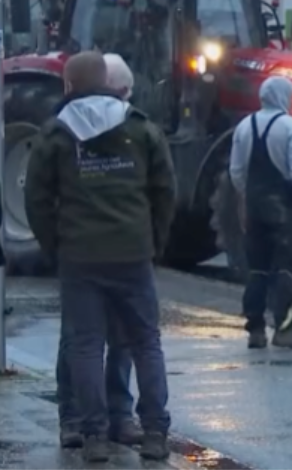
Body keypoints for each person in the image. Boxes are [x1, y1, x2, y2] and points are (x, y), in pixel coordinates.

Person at [24, 51, 176, 463]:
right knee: (146, 343)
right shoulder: (141, 128)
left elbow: (36, 199)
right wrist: (153, 243)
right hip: (133, 253)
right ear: (109, 82)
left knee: (85, 345)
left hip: (80, 256)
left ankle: (93, 436)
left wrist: (56, 245)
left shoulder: (56, 132)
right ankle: (155, 433)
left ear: (69, 86)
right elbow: (165, 191)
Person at [55, 53, 141, 450]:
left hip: (102, 247)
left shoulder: (135, 132)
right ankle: (86, 419)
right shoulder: (65, 131)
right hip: (95, 250)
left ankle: (107, 417)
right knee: (87, 338)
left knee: (93, 338)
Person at [229, 76, 292, 351]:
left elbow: (236, 172)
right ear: (283, 97)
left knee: (257, 269)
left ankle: (255, 330)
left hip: (254, 207)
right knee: (287, 268)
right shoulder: (291, 126)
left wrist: (246, 197)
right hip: (283, 209)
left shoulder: (244, 126)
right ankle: (285, 329)